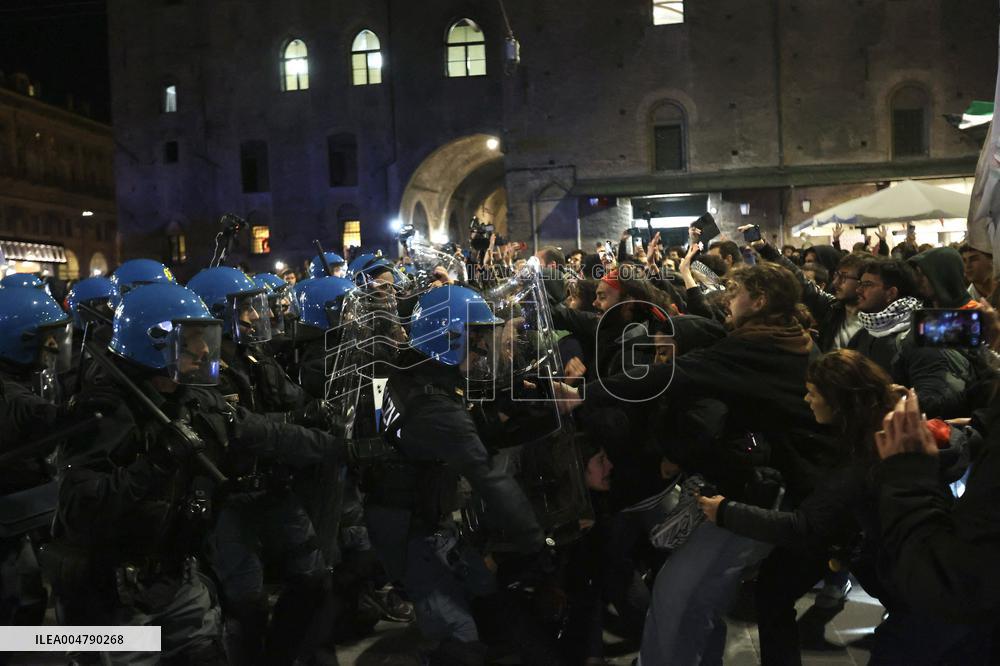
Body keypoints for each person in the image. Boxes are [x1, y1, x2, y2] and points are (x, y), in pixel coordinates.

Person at [553, 262, 841, 665]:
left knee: (678, 593)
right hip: (786, 487)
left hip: (769, 492)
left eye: (736, 293)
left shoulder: (756, 347)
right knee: (700, 598)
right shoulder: (790, 339)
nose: (728, 299)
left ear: (759, 301)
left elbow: (672, 376)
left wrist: (585, 394)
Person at [366, 285, 544, 665]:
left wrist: (518, 402)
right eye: (476, 338)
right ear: (449, 337)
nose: (482, 349)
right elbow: (487, 475)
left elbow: (467, 428)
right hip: (408, 529)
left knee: (484, 587)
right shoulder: (434, 406)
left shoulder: (412, 371)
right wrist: (535, 541)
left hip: (423, 515)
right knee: (459, 636)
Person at [697, 350, 898, 665]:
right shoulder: (866, 429)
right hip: (860, 549)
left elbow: (802, 526)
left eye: (813, 393)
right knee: (773, 589)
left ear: (838, 400)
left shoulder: (862, 459)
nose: (806, 400)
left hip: (890, 567)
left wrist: (725, 511)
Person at [850, 258, 971, 418]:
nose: (858, 290)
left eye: (867, 284)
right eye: (860, 283)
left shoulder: (927, 330)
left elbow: (933, 399)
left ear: (891, 293)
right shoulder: (864, 333)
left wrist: (897, 402)